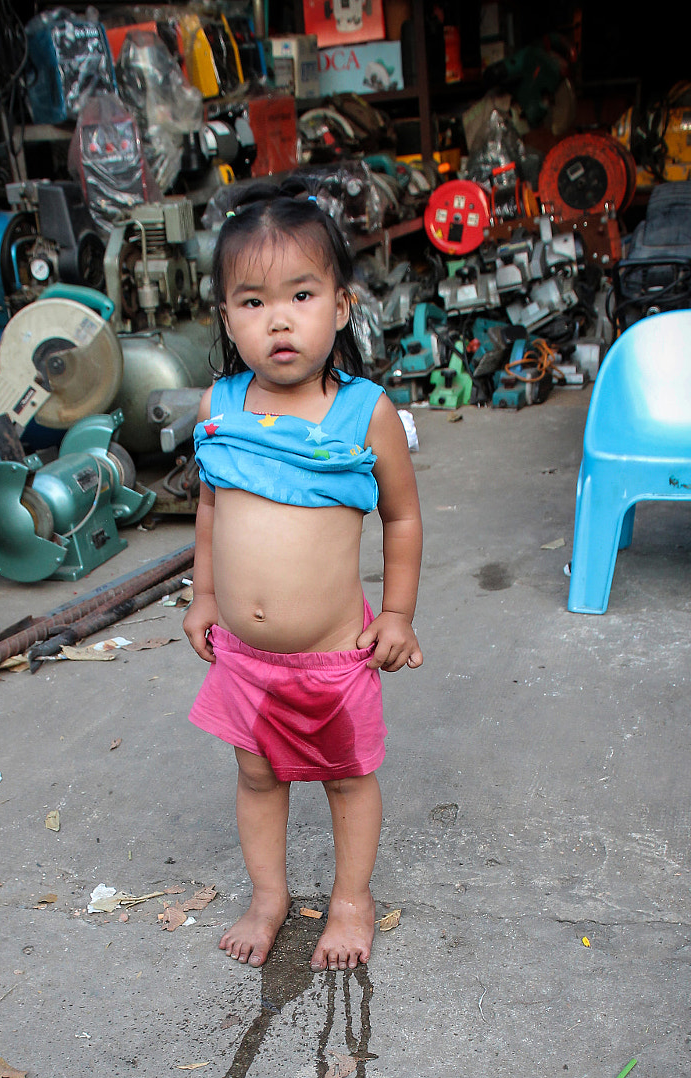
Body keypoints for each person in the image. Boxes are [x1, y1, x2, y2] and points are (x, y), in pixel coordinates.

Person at [184, 180, 423, 972]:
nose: (278, 319)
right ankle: (269, 895)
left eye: (301, 294)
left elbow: (400, 519)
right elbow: (213, 512)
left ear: (343, 305)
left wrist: (396, 614)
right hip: (244, 659)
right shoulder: (221, 407)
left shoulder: (363, 414)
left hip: (330, 655)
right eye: (251, 302)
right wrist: (205, 597)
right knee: (257, 777)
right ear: (226, 318)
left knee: (347, 780)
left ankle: (351, 901)